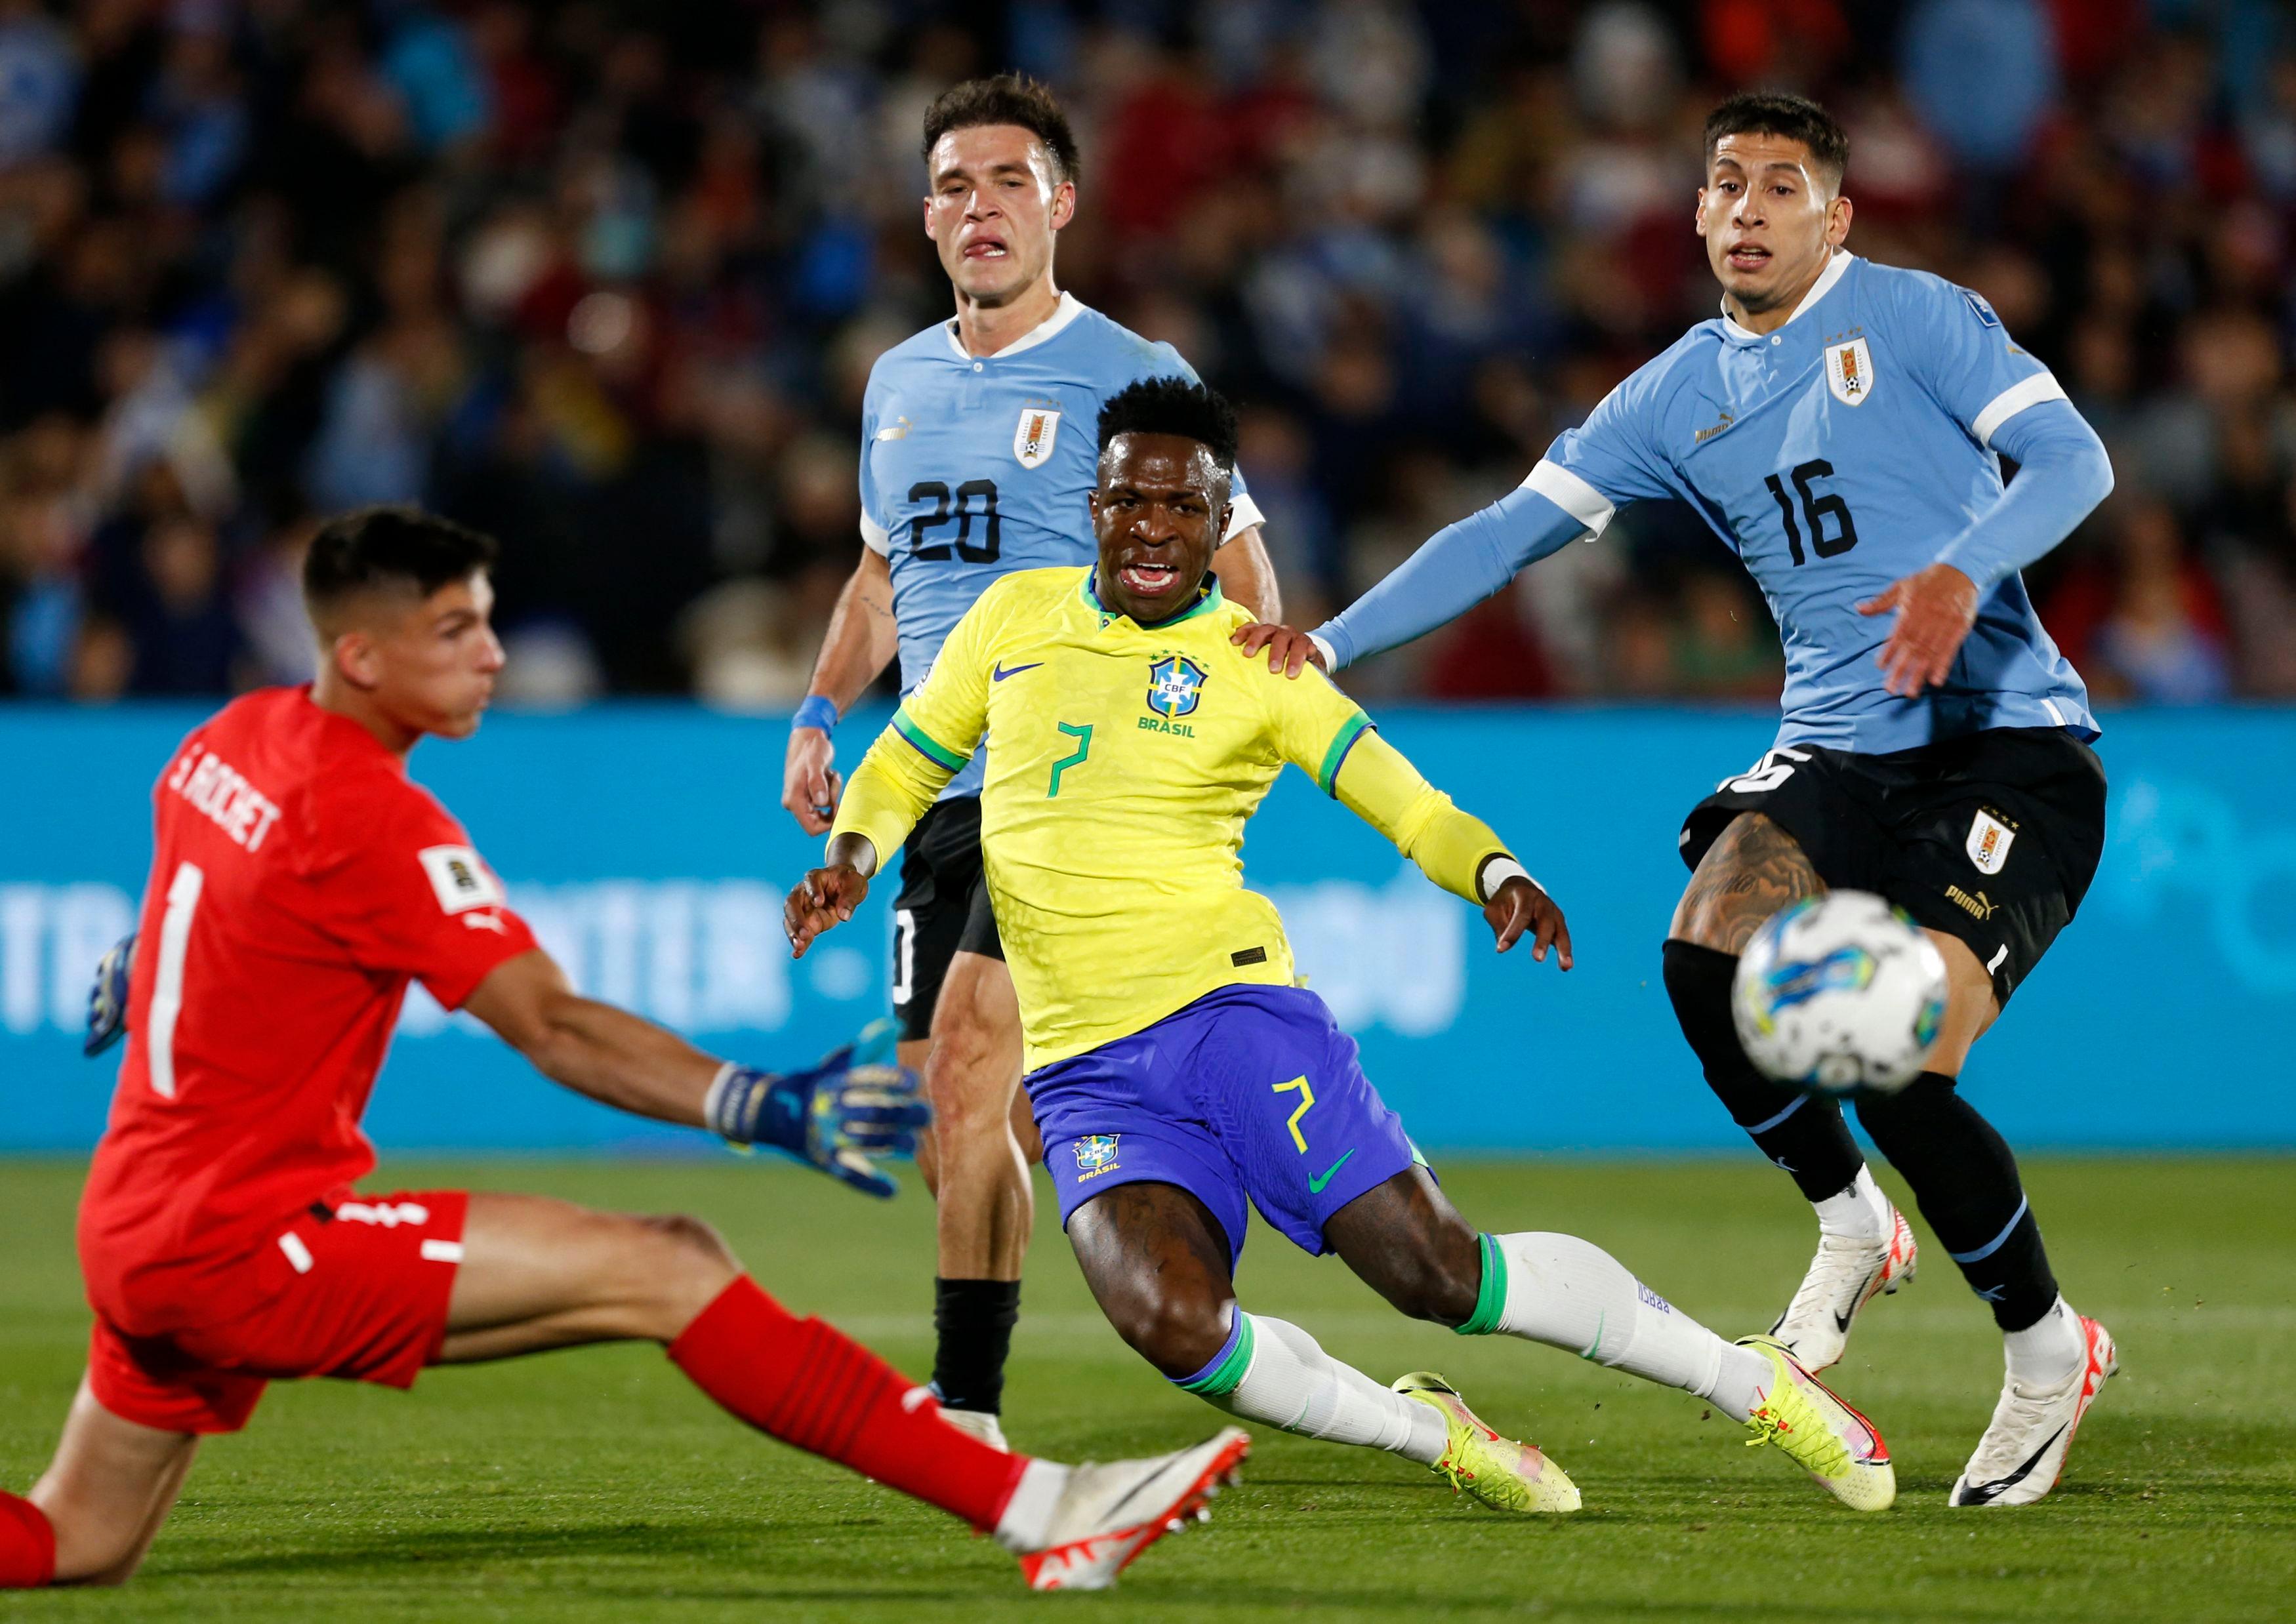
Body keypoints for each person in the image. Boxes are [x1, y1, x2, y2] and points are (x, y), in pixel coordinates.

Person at [0, 506, 1244, 1594]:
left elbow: (190, 904)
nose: (492, 655)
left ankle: (1041, 1511)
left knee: (75, 1542)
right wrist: (751, 1102)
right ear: (359, 654)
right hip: (237, 1245)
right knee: (671, 1263)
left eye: (486, 621)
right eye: (452, 634)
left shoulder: (228, 739)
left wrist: (156, 961)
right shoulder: (370, 816)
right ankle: (1044, 1512)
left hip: (136, 1224)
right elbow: (553, 1024)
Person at [786, 379, 1896, 1518]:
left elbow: (1404, 802)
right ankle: (1435, 1436)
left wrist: (1496, 871)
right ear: (1096, 509)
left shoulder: (1258, 665)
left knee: (1440, 1273)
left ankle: (1743, 1379)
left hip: (1229, 1020)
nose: (1151, 527)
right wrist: (852, 856)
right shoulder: (1014, 618)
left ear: (1221, 527)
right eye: (1127, 502)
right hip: (1084, 1070)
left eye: (1181, 507)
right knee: (1179, 1330)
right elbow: (910, 759)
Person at [1238, 92, 2118, 1507]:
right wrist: (1329, 641)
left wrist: (1962, 568)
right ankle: (1850, 1219)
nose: (1754, 208)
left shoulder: (1918, 316)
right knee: (1702, 949)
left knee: (1897, 1051)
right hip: (1837, 749)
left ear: (1837, 215)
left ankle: (2043, 1347)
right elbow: (1505, 532)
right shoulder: (1672, 393)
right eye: (1729, 184)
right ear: (1698, 212)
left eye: (1785, 186)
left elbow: (2075, 459)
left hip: (2005, 744)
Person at [779, 73, 1281, 1450]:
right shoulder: (895, 382)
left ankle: (966, 1413)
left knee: (979, 1064)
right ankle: (1234, 1317)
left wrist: (1232, 721)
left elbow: (1240, 569)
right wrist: (822, 713)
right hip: (933, 790)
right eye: (953, 184)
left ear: (1061, 204)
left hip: (1076, 781)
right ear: (925, 217)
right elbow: (882, 578)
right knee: (957, 1120)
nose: (980, 206)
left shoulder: (1133, 371)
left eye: (1009, 181)